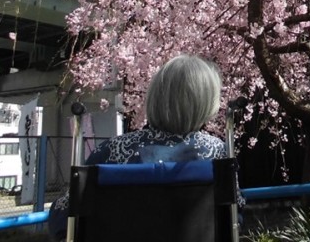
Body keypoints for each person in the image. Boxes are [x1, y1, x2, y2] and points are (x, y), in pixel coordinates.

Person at [48, 54, 228, 240]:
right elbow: (232, 217)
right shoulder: (217, 153)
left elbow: (63, 217)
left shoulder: (113, 150)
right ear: (206, 104)